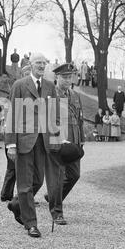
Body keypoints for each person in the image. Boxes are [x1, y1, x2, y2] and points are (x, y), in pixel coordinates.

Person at [5, 52, 61, 238]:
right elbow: (12, 115)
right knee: (25, 183)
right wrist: (11, 144)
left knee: (38, 180)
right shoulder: (20, 85)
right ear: (30, 64)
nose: (41, 66)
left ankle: (16, 204)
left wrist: (57, 139)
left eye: (44, 63)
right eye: (38, 62)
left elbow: (54, 114)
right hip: (23, 141)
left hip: (43, 141)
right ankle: (31, 224)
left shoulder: (50, 86)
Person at [43, 62, 85, 225]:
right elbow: (48, 120)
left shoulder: (74, 95)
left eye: (70, 77)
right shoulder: (50, 94)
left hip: (73, 140)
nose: (68, 80)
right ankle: (56, 212)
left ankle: (52, 196)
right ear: (57, 77)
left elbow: (79, 119)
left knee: (74, 175)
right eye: (65, 77)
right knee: (57, 177)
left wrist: (81, 139)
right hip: (58, 140)